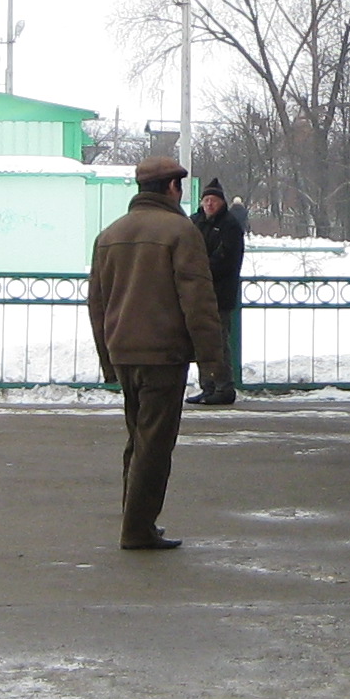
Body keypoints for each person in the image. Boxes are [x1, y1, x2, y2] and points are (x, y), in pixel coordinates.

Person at [83, 156, 227, 550]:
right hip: (163, 355)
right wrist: (213, 362)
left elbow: (97, 303)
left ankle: (136, 519)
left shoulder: (110, 234)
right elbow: (198, 301)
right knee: (155, 444)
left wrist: (108, 359)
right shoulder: (181, 232)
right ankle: (137, 529)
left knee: (137, 438)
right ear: (172, 187)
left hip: (124, 353)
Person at [193, 177, 248, 405]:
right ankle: (207, 386)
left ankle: (224, 387)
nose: (209, 204)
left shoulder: (230, 226)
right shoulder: (195, 222)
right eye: (206, 200)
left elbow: (226, 259)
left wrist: (199, 269)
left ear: (222, 202)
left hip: (219, 292)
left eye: (213, 200)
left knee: (218, 342)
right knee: (200, 342)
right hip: (196, 293)